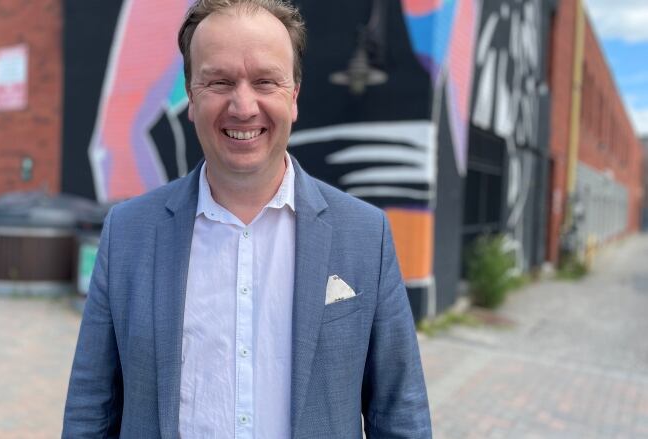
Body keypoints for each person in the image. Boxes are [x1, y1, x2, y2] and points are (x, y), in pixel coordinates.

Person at [62, 0, 431, 437]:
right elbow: (91, 409)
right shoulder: (128, 233)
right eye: (219, 81)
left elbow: (399, 414)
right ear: (191, 97)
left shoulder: (366, 236)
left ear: (293, 95)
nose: (243, 106)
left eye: (264, 81)